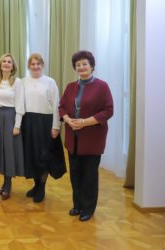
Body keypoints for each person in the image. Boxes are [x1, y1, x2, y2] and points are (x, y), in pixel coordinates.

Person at [59, 50, 113, 221]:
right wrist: (67, 119)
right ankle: (78, 205)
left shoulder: (102, 86)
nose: (81, 67)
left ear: (92, 66)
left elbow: (108, 110)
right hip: (72, 139)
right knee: (75, 174)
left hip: (92, 139)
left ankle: (88, 208)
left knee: (89, 175)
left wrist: (85, 122)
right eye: (78, 65)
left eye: (84, 64)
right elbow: (61, 107)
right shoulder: (70, 86)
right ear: (75, 68)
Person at [21, 53, 66, 203]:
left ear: (42, 65)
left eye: (38, 64)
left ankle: (41, 187)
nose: (35, 66)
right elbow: (21, 104)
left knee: (43, 157)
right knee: (32, 156)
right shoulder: (23, 81)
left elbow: (56, 106)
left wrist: (56, 126)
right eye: (32, 64)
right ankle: (35, 185)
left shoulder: (50, 82)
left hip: (45, 123)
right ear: (29, 66)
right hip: (29, 122)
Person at [0, 54, 24, 200]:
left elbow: (20, 104)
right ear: (0, 64)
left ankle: (8, 183)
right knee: (0, 150)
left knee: (9, 151)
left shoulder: (17, 82)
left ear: (13, 66)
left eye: (9, 62)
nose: (6, 63)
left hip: (11, 116)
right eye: (4, 61)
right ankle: (4, 182)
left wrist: (17, 125)